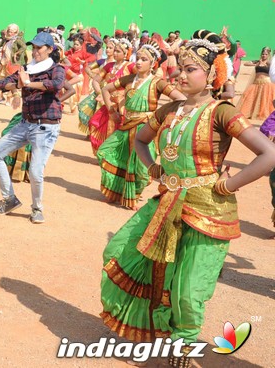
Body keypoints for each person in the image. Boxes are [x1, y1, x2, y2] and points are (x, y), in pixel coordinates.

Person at [100, 36, 275, 366]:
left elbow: (268, 154)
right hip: (167, 202)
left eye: (190, 69)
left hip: (209, 210)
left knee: (187, 287)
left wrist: (229, 185)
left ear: (210, 75)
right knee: (123, 253)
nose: (181, 75)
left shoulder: (222, 112)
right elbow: (141, 139)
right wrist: (153, 167)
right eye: (179, 68)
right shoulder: (170, 110)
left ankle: (184, 340)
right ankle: (162, 329)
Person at [96, 42, 185, 209]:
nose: (138, 62)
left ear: (152, 64)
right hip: (126, 124)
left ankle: (134, 195)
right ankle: (115, 190)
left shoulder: (157, 82)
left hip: (144, 128)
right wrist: (112, 111)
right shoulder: (129, 79)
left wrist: (160, 115)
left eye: (144, 59)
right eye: (138, 58)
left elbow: (180, 99)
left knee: (141, 166)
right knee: (105, 152)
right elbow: (106, 89)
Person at [0, 31, 64, 224]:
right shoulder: (26, 68)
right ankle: (9, 199)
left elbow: (56, 84)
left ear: (50, 49)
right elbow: (2, 83)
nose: (36, 51)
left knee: (35, 172)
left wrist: (29, 82)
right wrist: (15, 85)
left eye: (40, 47)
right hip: (25, 124)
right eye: (34, 47)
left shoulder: (56, 69)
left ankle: (37, 208)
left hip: (45, 127)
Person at [82, 38, 135, 154]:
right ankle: (104, 153)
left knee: (119, 129)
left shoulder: (130, 66)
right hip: (108, 102)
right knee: (95, 124)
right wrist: (101, 94)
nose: (115, 53)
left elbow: (140, 79)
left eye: (118, 51)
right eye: (114, 50)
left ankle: (116, 155)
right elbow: (96, 81)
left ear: (126, 53)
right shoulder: (109, 65)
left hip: (123, 104)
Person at [238, 46, 274, 120]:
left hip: (266, 84)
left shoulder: (269, 63)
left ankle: (263, 114)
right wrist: (256, 64)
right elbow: (246, 63)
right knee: (253, 98)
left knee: (265, 100)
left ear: (269, 55)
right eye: (263, 54)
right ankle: (251, 113)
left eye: (266, 54)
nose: (264, 55)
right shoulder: (257, 62)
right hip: (256, 83)